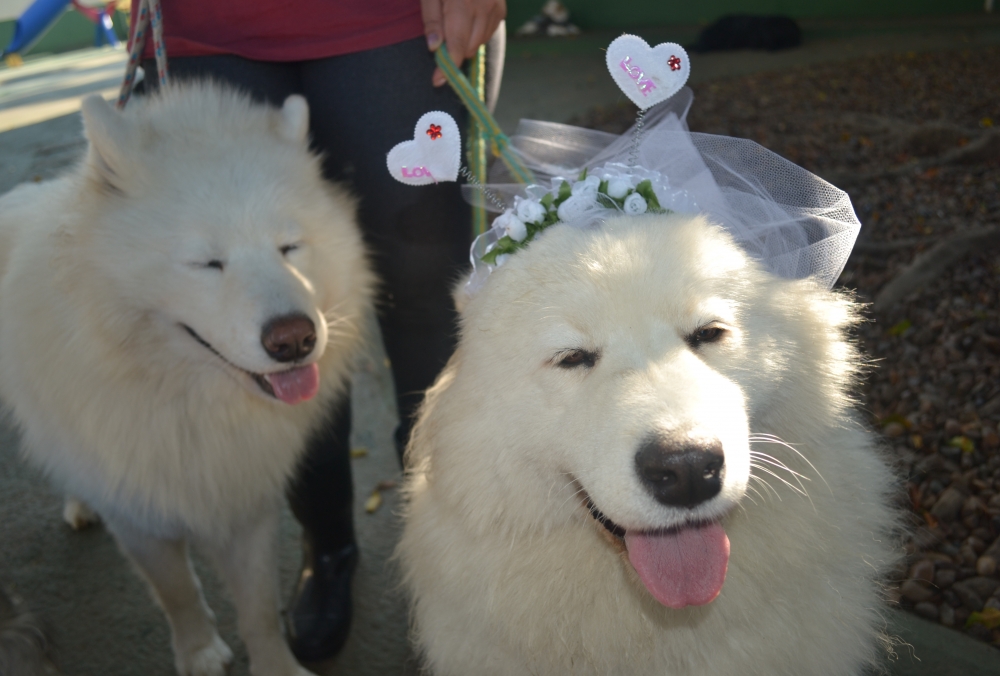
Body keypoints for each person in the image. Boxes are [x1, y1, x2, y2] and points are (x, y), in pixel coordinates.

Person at [133, 0, 506, 662]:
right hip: (206, 29)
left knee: (424, 279)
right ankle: (326, 540)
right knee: (254, 306)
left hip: (393, 20)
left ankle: (457, 544)